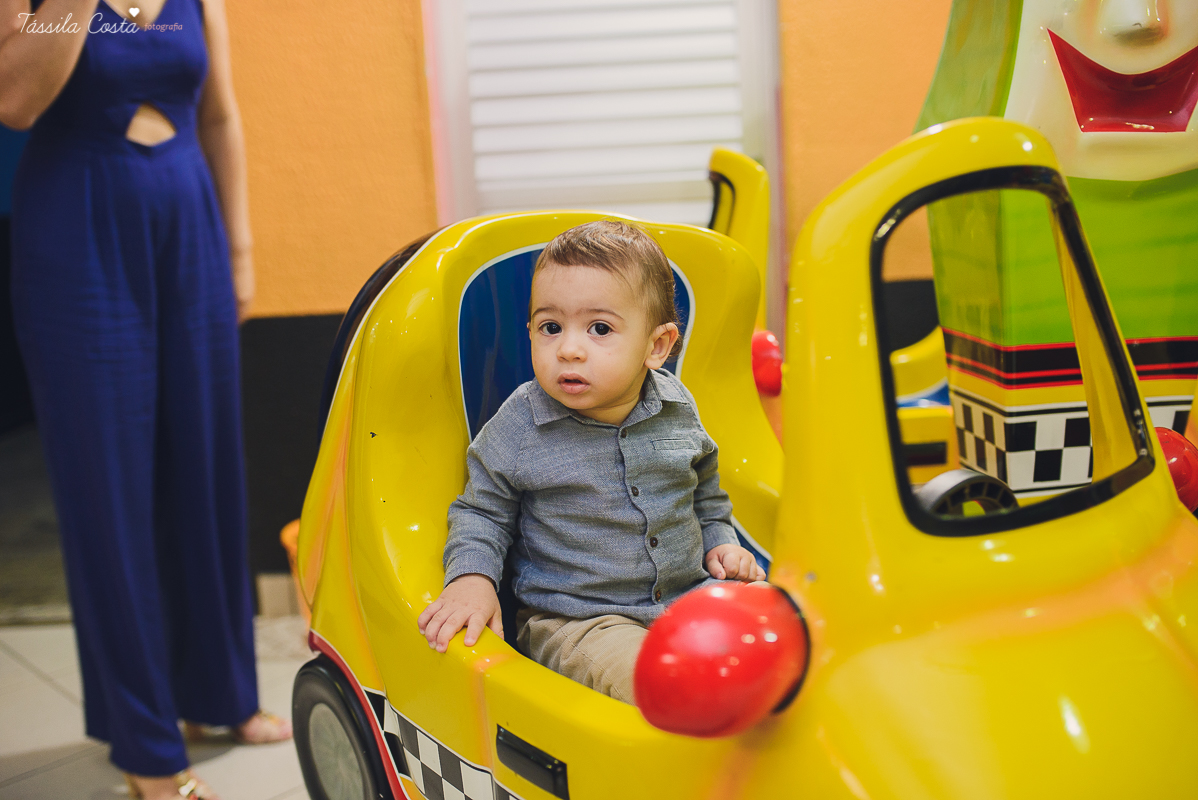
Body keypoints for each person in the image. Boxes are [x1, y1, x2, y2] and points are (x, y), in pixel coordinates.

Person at [0, 0, 290, 797]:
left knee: (204, 463)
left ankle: (219, 695)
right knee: (106, 486)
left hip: (188, 219)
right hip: (77, 225)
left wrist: (239, 249)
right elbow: (16, 102)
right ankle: (145, 742)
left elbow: (221, 117)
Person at [417, 220, 765, 704]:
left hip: (689, 596)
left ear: (657, 346)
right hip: (578, 622)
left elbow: (704, 489)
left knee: (780, 629)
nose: (569, 349)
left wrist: (721, 543)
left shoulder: (676, 404)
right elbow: (482, 511)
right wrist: (472, 579)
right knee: (655, 677)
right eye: (550, 327)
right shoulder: (522, 423)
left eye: (599, 328)